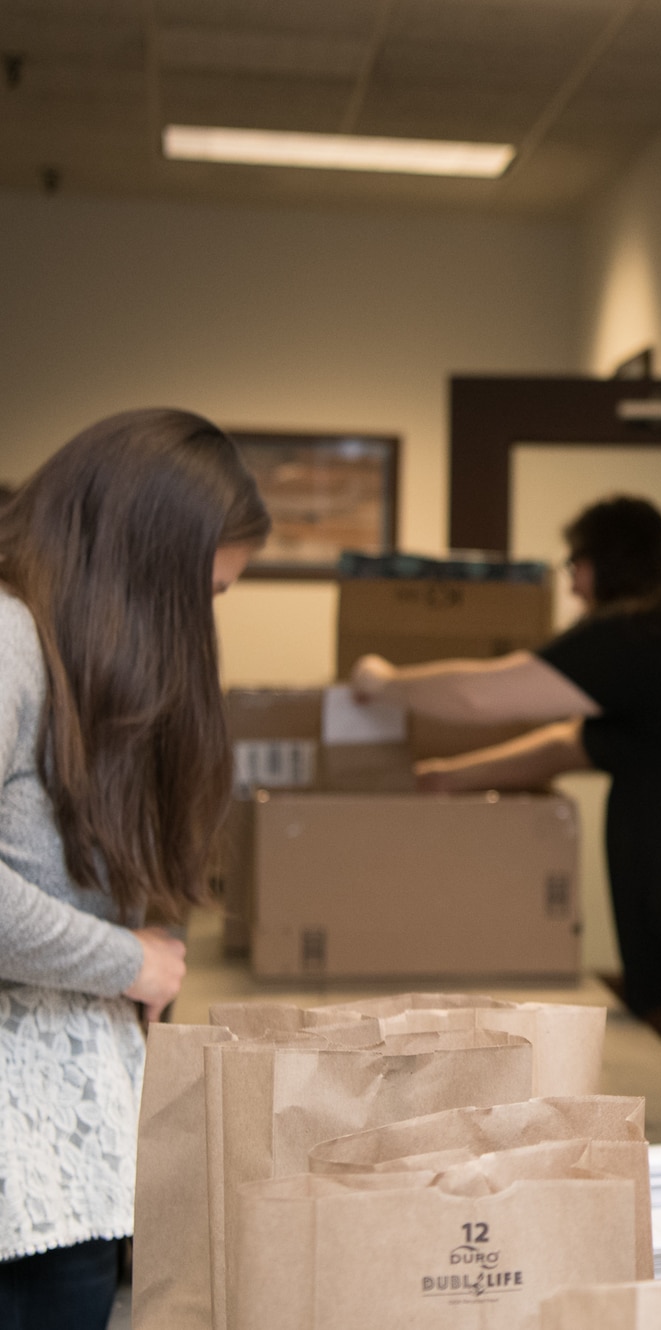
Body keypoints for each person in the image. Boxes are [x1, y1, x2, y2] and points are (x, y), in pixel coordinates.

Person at [350, 497, 661, 1074]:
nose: (574, 587)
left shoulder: (653, 630)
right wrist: (453, 777)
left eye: (576, 567)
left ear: (606, 563)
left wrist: (383, 681)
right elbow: (569, 745)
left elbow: (483, 696)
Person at [0, 409, 269, 1329]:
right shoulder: (7, 644)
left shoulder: (73, 659)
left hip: (59, 1167)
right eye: (208, 590)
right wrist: (128, 960)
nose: (203, 618)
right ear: (138, 558)